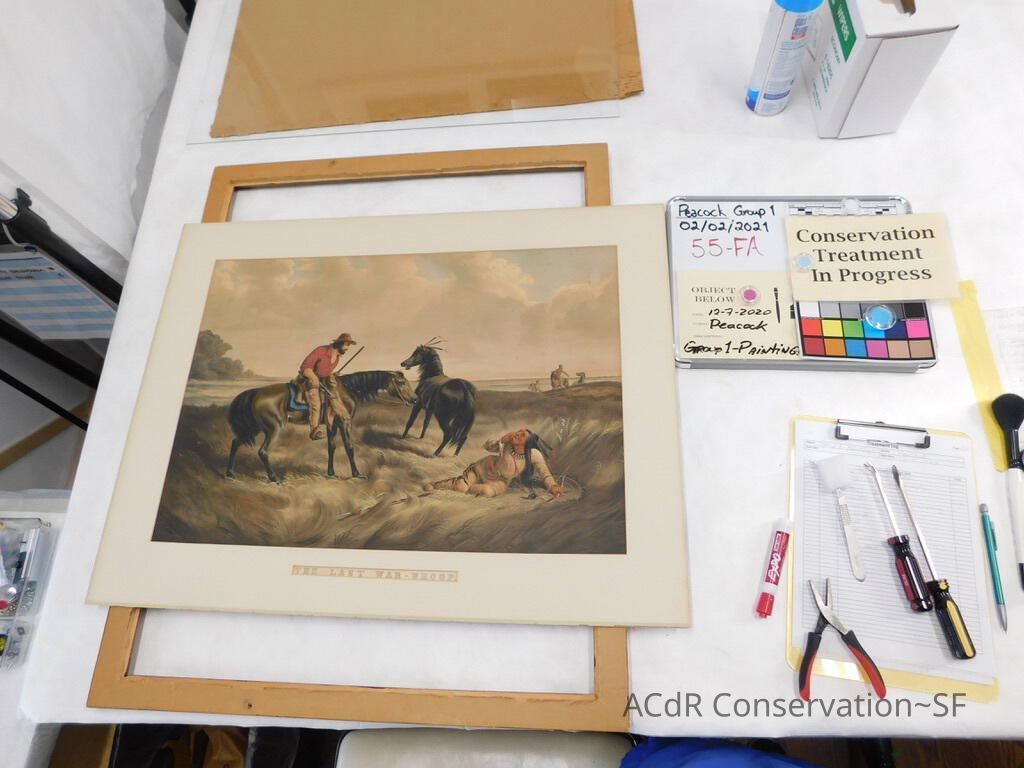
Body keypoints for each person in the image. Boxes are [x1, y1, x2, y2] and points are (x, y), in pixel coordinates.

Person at [425, 428, 564, 497]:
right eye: (518, 431)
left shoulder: (534, 455)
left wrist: (553, 486)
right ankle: (438, 484)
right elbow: (487, 447)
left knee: (486, 491)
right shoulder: (507, 445)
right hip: (482, 469)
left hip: (500, 481)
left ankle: (469, 487)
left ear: (528, 443)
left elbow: (545, 473)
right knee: (460, 487)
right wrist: (501, 441)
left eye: (522, 435)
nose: (517, 434)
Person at [298, 332, 357, 440]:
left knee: (335, 396)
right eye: (346, 345)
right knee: (316, 404)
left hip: (323, 382)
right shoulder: (321, 350)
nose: (347, 348)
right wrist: (314, 377)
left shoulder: (337, 357)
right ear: (339, 343)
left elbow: (324, 371)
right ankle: (314, 430)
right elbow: (305, 368)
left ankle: (340, 419)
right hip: (310, 380)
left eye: (349, 345)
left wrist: (332, 374)